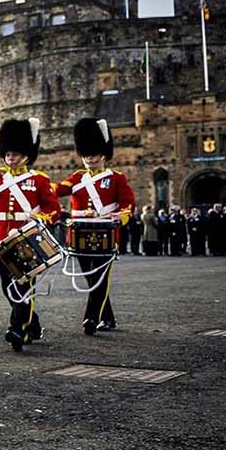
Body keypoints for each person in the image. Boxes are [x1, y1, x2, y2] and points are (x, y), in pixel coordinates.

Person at [0, 118, 60, 351]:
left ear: (26, 155)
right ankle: (32, 323)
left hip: (27, 240)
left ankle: (19, 329)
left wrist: (39, 218)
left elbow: (53, 209)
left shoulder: (39, 179)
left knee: (24, 286)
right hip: (2, 240)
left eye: (15, 154)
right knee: (8, 287)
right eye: (7, 154)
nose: (10, 157)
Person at [54, 118, 136, 335]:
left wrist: (122, 216)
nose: (90, 157)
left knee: (101, 275)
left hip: (105, 233)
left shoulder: (116, 178)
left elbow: (128, 203)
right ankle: (107, 317)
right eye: (86, 153)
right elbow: (58, 189)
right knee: (91, 277)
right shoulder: (76, 178)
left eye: (94, 153)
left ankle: (91, 318)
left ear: (103, 154)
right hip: (79, 233)